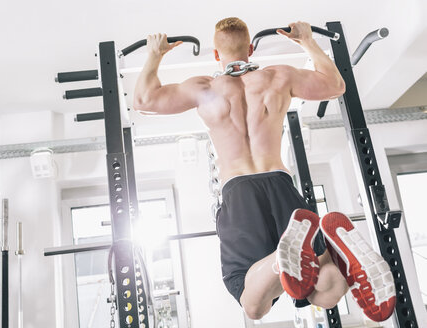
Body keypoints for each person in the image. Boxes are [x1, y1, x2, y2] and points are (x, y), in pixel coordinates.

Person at [133, 17, 396, 322]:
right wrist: (307, 41)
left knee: (253, 305)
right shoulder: (278, 78)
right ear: (251, 48)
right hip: (282, 185)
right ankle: (322, 258)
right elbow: (336, 85)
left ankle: (281, 260)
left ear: (216, 55)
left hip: (239, 190)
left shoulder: (204, 88)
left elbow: (143, 100)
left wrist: (154, 54)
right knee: (323, 289)